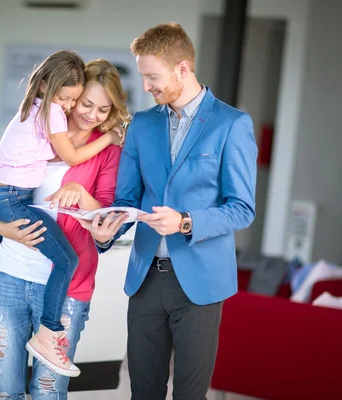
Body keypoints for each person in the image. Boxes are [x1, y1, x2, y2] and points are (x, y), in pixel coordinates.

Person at [79, 23, 258, 399]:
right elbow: (126, 200)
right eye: (143, 76)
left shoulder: (232, 125)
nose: (145, 87)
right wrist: (107, 229)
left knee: (189, 395)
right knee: (142, 391)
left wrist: (186, 222)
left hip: (201, 283)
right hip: (146, 281)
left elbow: (242, 209)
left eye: (152, 77)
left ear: (182, 68)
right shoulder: (142, 125)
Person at [0, 59, 131, 399]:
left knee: (47, 392)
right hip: (11, 277)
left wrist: (82, 196)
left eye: (104, 109)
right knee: (3, 392)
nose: (91, 114)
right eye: (85, 103)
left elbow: (106, 209)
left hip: (68, 289)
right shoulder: (38, 127)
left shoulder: (107, 151)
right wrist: (1, 224)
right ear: (69, 95)